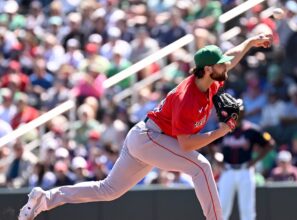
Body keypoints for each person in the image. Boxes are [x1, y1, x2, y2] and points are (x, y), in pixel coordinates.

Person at [18, 33, 273, 220]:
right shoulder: (187, 97)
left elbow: (231, 58)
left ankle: (45, 199)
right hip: (150, 138)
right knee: (201, 166)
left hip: (148, 138)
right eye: (218, 65)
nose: (224, 66)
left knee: (108, 190)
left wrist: (250, 42)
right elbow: (185, 144)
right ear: (208, 69)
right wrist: (222, 131)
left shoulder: (210, 80)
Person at [214, 109, 274, 220]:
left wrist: (255, 160)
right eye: (235, 111)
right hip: (228, 170)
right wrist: (216, 159)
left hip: (245, 170)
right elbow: (209, 143)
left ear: (243, 113)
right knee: (222, 208)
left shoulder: (251, 129)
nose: (237, 114)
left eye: (239, 111)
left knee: (247, 210)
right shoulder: (223, 128)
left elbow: (270, 143)